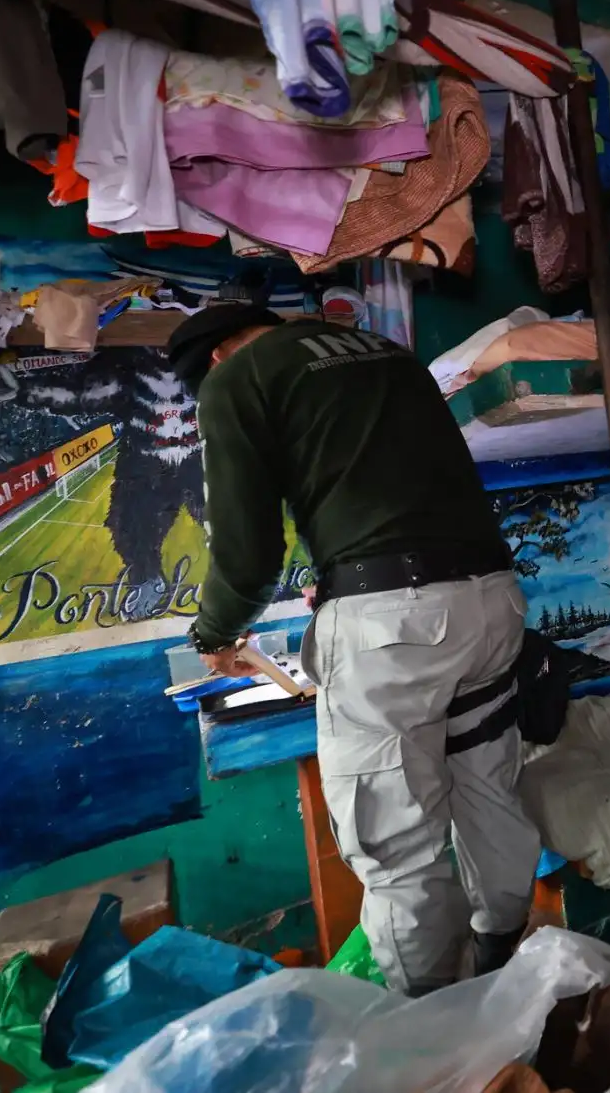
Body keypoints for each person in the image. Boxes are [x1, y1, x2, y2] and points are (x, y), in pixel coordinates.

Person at [167, 304, 538, 996]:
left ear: (216, 357)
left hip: (396, 635)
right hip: (492, 601)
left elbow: (247, 559)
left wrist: (213, 633)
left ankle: (438, 1027)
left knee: (395, 842)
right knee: (488, 787)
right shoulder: (386, 351)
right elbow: (391, 496)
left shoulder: (235, 380)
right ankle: (501, 956)